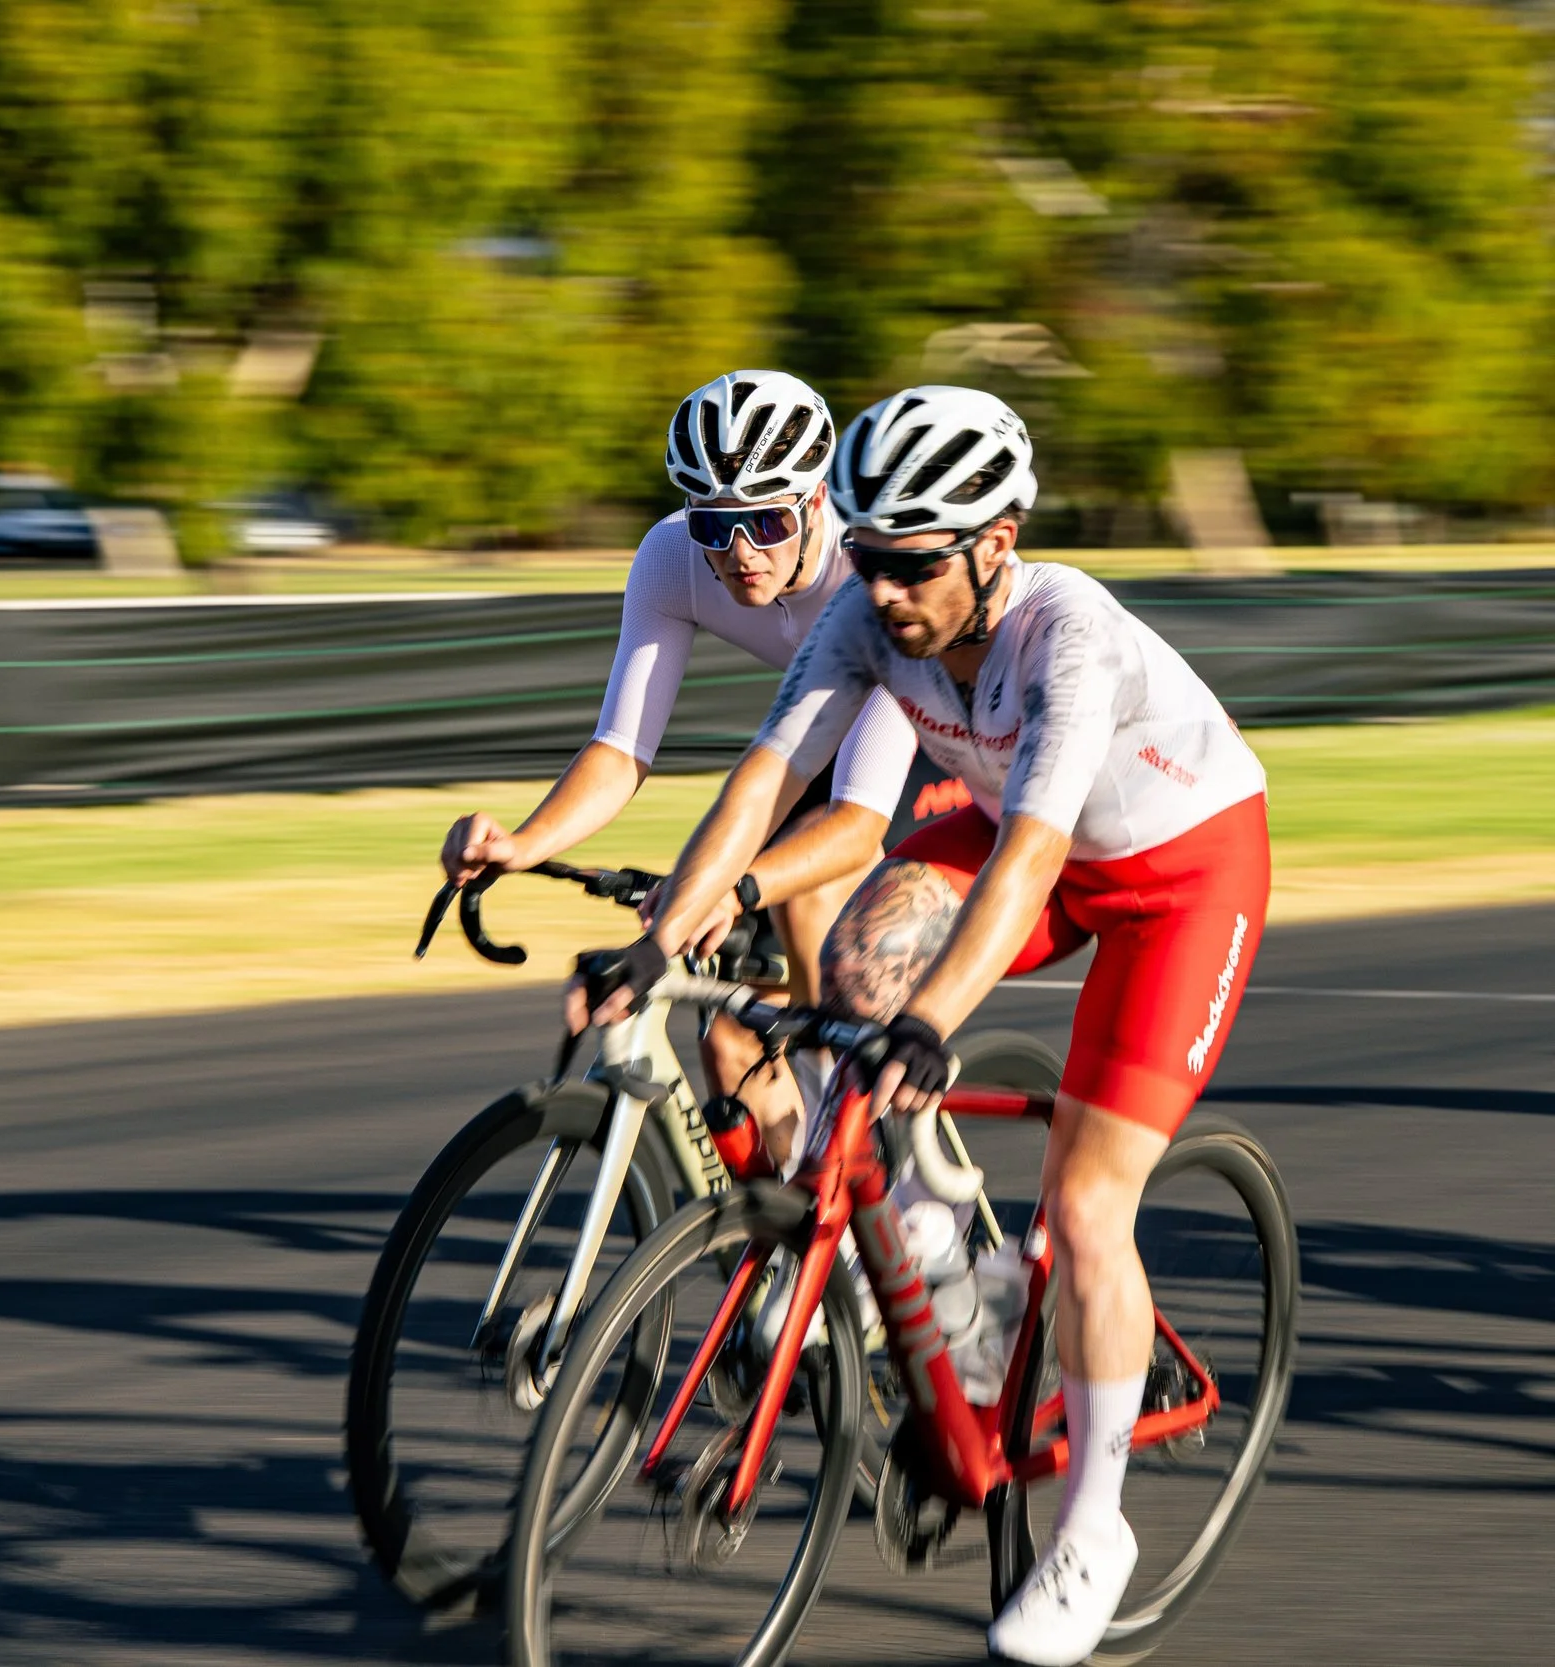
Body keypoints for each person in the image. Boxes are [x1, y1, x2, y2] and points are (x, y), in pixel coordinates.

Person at [582, 384, 1270, 1665]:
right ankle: (943, 1255)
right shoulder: (865, 611)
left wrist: (933, 1020)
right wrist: (659, 937)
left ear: (995, 543)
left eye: (913, 563)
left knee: (1086, 1204)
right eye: (866, 554)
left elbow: (1030, 860)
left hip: (1175, 875)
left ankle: (1094, 1531)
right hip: (1021, 840)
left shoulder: (1071, 636)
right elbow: (766, 779)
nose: (884, 589)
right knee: (851, 969)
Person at [443, 368, 958, 1162]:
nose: (741, 552)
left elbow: (857, 826)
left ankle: (897, 1195)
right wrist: (521, 842)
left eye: (767, 520)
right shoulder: (671, 556)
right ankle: (789, 1227)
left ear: (817, 500)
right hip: (826, 750)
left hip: (943, 735)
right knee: (732, 1036)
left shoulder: (869, 574)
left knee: (814, 913)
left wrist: (731, 885)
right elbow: (621, 749)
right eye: (714, 525)